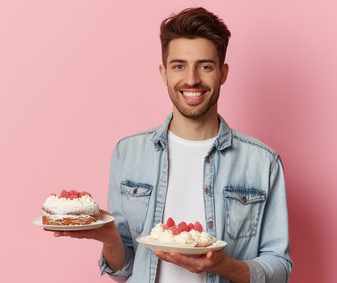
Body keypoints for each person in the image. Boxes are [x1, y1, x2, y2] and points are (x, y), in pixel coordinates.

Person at [49, 7, 292, 283]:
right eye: (179, 66)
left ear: (223, 73)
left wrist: (225, 266)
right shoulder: (128, 154)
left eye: (205, 66)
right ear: (163, 72)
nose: (191, 79)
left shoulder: (263, 163)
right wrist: (111, 239)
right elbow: (124, 269)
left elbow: (279, 268)